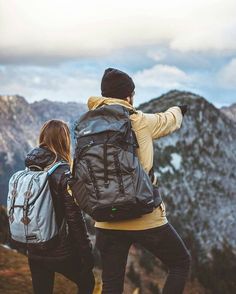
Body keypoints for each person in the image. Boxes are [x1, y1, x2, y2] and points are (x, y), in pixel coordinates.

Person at [89, 68, 191, 294]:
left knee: (112, 283)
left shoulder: (87, 126)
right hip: (143, 215)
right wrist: (179, 109)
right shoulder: (140, 120)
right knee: (180, 262)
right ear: (128, 96)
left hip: (105, 219)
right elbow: (169, 120)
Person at [25, 120, 95, 294]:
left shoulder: (29, 169)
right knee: (87, 282)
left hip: (33, 248)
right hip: (60, 250)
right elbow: (74, 219)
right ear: (64, 141)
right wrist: (87, 253)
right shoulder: (63, 172)